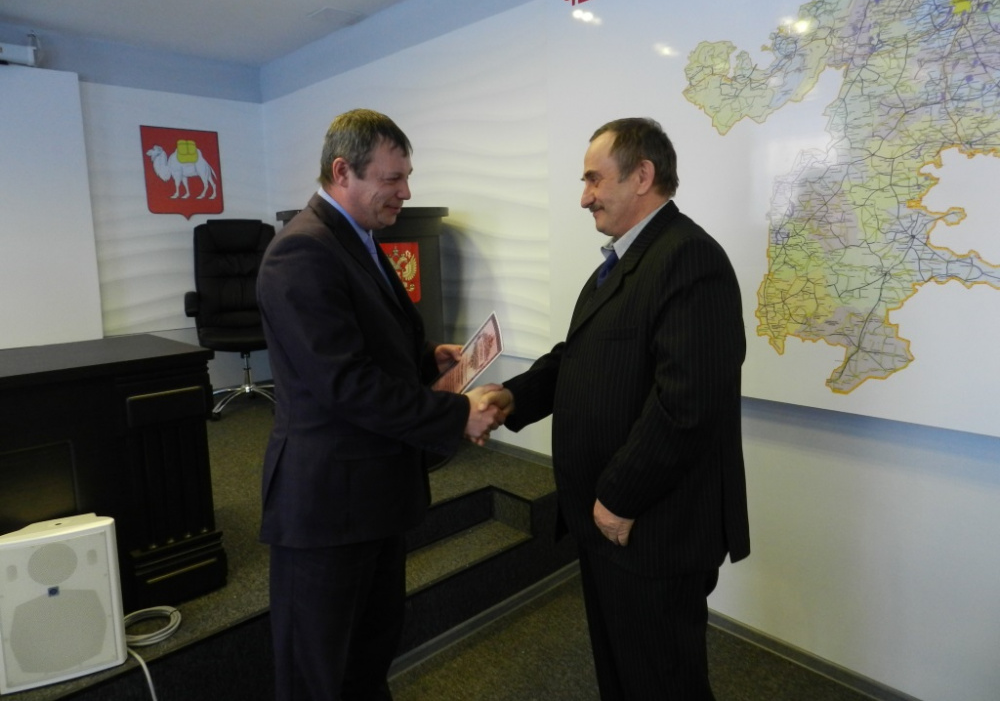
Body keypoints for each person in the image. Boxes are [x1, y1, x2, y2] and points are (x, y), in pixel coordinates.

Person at [483, 117, 750, 700]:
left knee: (662, 682)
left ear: (642, 176)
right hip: (610, 524)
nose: (584, 197)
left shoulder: (690, 259)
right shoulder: (624, 261)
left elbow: (688, 405)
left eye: (593, 179)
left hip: (650, 528)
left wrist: (618, 500)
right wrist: (515, 396)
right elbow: (579, 355)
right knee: (623, 674)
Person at [256, 108, 503, 701]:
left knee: (366, 658)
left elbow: (368, 342)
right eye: (393, 179)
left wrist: (426, 358)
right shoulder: (301, 252)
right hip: (328, 507)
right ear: (343, 171)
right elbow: (345, 383)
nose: (406, 192)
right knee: (318, 674)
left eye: (407, 176)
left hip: (372, 496)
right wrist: (456, 414)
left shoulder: (356, 237)